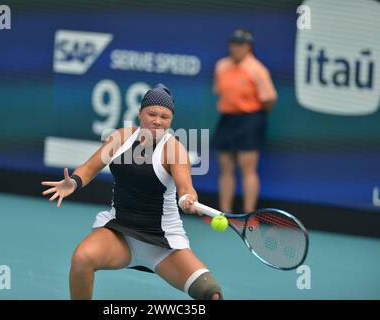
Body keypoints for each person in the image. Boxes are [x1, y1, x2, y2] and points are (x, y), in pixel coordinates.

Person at [42, 84, 223, 300]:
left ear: (171, 120)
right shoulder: (120, 138)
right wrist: (73, 182)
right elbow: (90, 168)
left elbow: (185, 187)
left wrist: (187, 198)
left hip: (163, 244)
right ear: (140, 114)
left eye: (164, 116)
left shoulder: (174, 150)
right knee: (82, 259)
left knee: (211, 292)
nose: (157, 120)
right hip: (120, 234)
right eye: (152, 114)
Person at [213, 28, 277, 214]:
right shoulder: (221, 66)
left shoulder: (257, 69)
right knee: (225, 168)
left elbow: (269, 99)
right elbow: (220, 92)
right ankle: (224, 212)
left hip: (250, 120)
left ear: (249, 46)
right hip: (227, 119)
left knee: (247, 168)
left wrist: (254, 115)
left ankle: (249, 215)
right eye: (233, 43)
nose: (236, 48)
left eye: (241, 44)